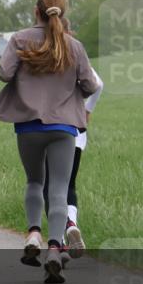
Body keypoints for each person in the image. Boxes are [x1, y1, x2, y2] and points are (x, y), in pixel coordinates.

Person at [0, 0, 99, 284]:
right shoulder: (73, 46)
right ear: (63, 13)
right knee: (59, 189)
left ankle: (34, 232)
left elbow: (3, 73)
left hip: (28, 126)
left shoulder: (20, 39)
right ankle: (53, 250)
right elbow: (90, 84)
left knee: (35, 181)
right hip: (63, 128)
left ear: (36, 12)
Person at [43, 69, 103, 264]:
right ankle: (71, 223)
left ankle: (59, 241)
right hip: (75, 129)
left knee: (49, 185)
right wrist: (87, 111)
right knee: (68, 184)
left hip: (45, 126)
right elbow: (98, 84)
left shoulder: (37, 51)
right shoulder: (74, 52)